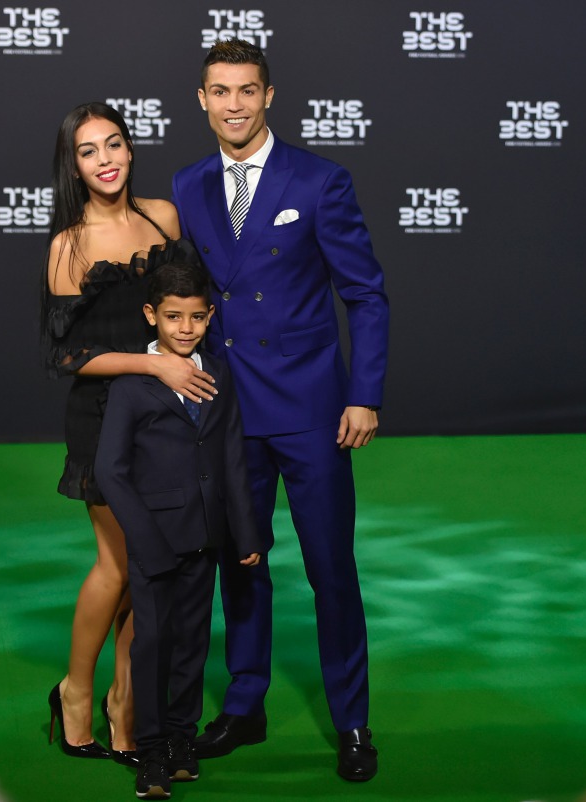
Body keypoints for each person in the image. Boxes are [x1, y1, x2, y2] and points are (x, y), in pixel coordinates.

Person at [171, 40, 390, 781]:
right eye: (219, 91)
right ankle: (245, 703)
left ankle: (354, 721)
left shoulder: (320, 180)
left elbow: (364, 293)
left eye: (247, 90)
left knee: (331, 568)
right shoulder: (190, 184)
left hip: (312, 411)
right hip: (227, 411)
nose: (233, 104)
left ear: (269, 97)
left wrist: (364, 393)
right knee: (242, 563)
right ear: (201, 99)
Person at [40, 101, 218, 765]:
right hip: (104, 419)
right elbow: (66, 357)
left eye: (114, 144)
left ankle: (127, 703)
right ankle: (76, 692)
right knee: (119, 566)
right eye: (89, 151)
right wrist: (152, 363)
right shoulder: (68, 245)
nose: (106, 159)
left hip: (167, 421)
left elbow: (189, 311)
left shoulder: (162, 218)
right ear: (73, 164)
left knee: (159, 568)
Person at [94, 260, 263, 799]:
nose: (185, 328)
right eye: (173, 317)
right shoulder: (131, 385)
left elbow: (232, 454)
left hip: (208, 535)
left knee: (192, 643)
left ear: (210, 316)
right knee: (153, 644)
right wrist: (142, 538)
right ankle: (151, 751)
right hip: (154, 540)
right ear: (152, 316)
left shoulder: (220, 371)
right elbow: (110, 471)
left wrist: (247, 531)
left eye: (195, 317)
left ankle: (181, 740)